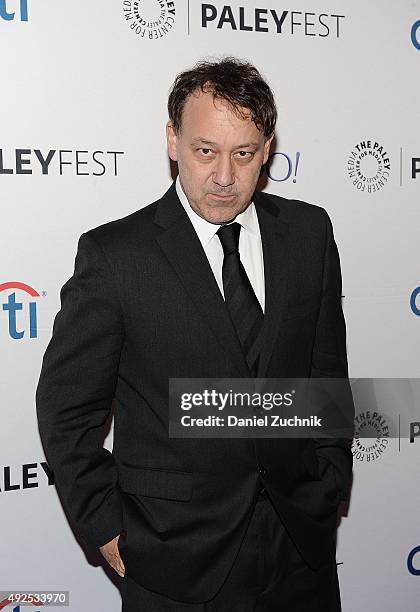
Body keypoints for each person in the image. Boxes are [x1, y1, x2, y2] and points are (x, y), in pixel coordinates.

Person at [36, 57, 353, 611]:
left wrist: (329, 481)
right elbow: (66, 410)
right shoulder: (115, 256)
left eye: (244, 153)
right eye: (205, 150)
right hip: (174, 559)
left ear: (269, 147)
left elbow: (325, 374)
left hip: (301, 548)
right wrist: (107, 526)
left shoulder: (309, 233)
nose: (224, 176)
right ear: (172, 140)